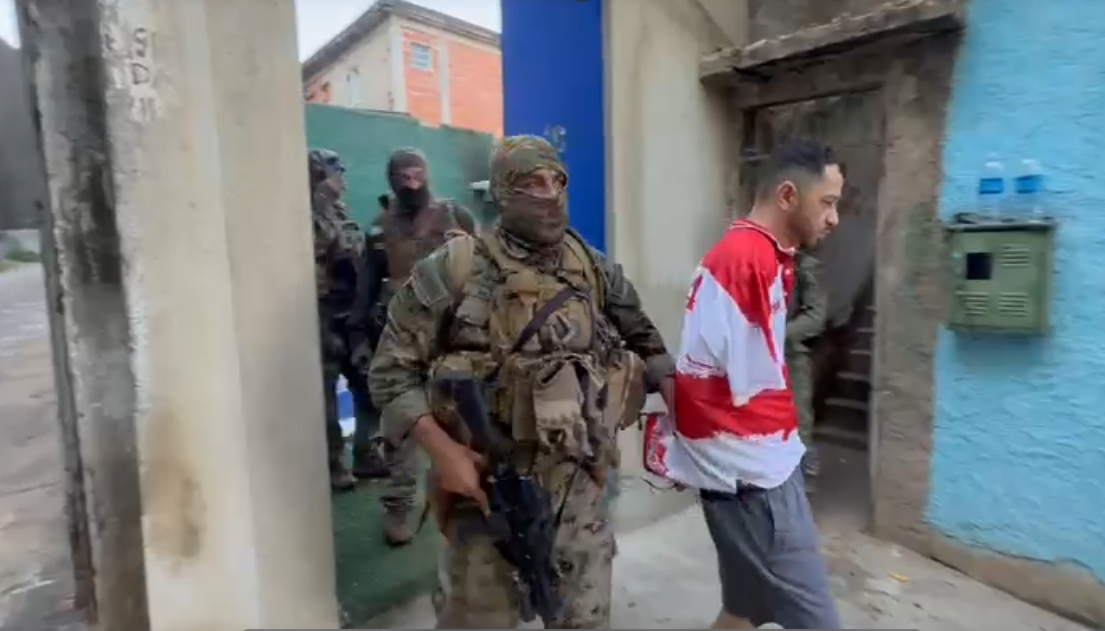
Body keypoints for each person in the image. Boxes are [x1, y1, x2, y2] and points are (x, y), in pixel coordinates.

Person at [368, 135, 674, 628]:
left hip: (578, 487)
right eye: (532, 183)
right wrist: (446, 455)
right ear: (503, 192)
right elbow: (390, 371)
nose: (550, 194)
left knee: (584, 619)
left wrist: (675, 393)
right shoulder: (456, 267)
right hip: (485, 490)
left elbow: (646, 340)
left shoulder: (590, 265)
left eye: (557, 181)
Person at [644, 138, 843, 628]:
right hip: (756, 480)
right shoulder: (745, 261)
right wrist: (779, 463)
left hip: (744, 472)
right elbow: (743, 388)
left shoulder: (762, 255)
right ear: (788, 195)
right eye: (827, 203)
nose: (834, 218)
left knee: (744, 608)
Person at [349, 148, 476, 545]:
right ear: (391, 179)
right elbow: (366, 285)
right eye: (402, 175)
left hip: (455, 333)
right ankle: (402, 501)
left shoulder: (456, 217)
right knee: (403, 420)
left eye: (416, 173)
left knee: (465, 416)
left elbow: (484, 270)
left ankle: (466, 488)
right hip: (402, 336)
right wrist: (357, 335)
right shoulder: (378, 229)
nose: (410, 182)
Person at [308, 148, 379, 491]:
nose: (343, 179)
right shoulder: (303, 213)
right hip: (321, 312)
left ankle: (367, 453)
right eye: (337, 173)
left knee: (369, 383)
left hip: (351, 310)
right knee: (325, 397)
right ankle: (334, 464)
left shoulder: (339, 210)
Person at [786, 248, 827, 490]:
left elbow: (815, 317)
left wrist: (777, 335)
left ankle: (804, 485)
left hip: (792, 357)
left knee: (799, 425)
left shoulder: (805, 266)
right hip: (759, 360)